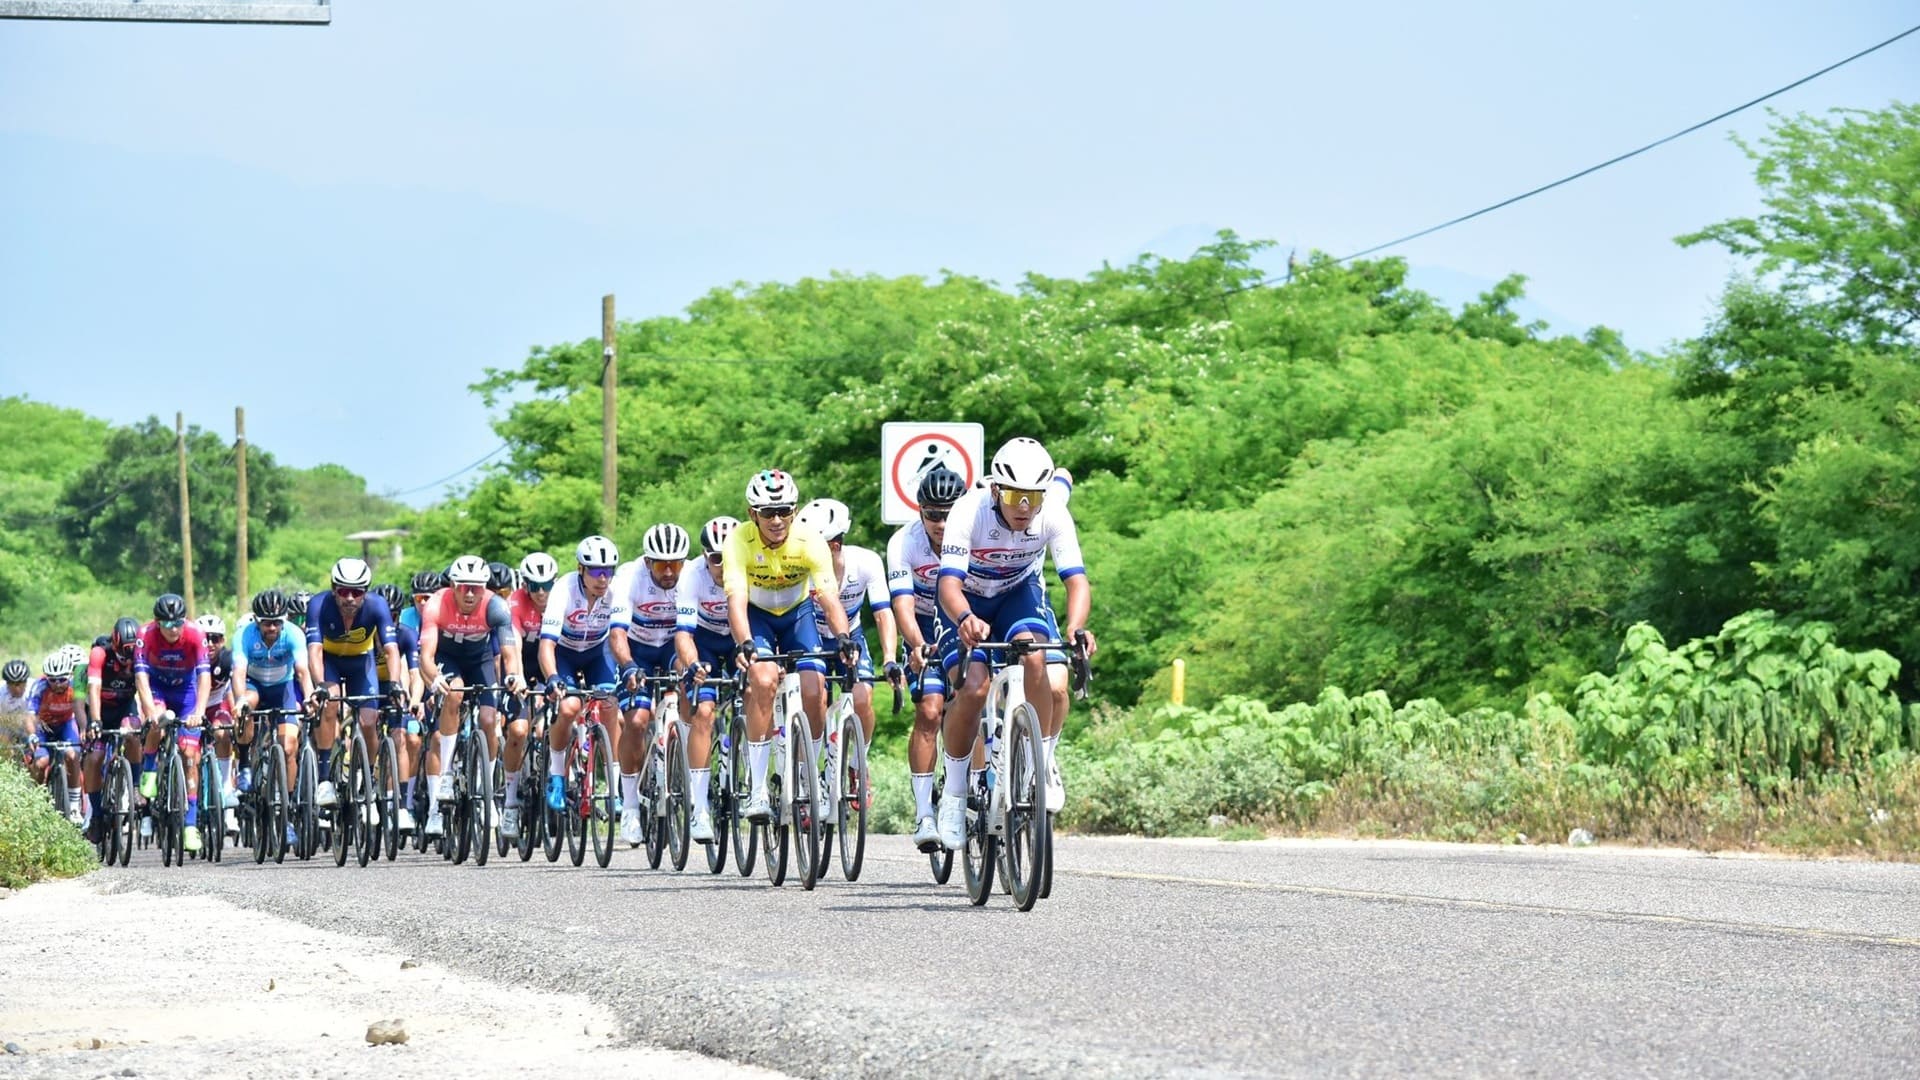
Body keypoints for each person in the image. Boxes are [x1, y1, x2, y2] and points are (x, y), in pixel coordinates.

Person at [933, 438, 1096, 852]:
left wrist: (1076, 628)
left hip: (1018, 593)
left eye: (1033, 497)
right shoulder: (967, 512)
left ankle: (1037, 764)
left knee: (1035, 655)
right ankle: (953, 795)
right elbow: (948, 584)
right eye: (1014, 496)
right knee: (972, 687)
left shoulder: (1053, 514)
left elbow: (1075, 580)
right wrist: (966, 618)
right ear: (995, 490)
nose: (1024, 507)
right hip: (965, 599)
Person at [722, 469, 858, 824]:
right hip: (758, 615)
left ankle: (806, 775)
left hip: (797, 615)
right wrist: (745, 643)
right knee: (764, 680)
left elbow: (828, 599)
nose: (778, 520)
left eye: (784, 510)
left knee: (816, 689)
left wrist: (843, 637)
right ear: (754, 514)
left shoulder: (809, 539)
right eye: (769, 513)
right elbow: (736, 603)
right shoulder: (738, 540)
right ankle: (757, 789)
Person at [886, 465, 966, 850]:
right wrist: (917, 645)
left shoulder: (972, 533)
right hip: (922, 624)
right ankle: (924, 814)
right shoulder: (903, 542)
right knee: (931, 709)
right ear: (919, 511)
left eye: (950, 513)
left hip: (960, 618)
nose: (941, 522)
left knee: (973, 702)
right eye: (933, 513)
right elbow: (901, 603)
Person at [416, 555, 521, 838]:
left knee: (489, 718)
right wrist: (434, 678)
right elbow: (425, 656)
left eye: (477, 587)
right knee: (455, 693)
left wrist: (513, 676)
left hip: (480, 660)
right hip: (447, 658)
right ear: (453, 585)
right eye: (464, 587)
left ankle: (486, 790)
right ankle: (446, 774)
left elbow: (509, 653)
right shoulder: (436, 604)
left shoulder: (495, 606)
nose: (471, 593)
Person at [608, 523, 691, 843]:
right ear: (647, 562)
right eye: (660, 564)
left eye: (675, 564)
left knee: (690, 693)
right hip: (636, 650)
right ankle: (629, 806)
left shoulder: (691, 577)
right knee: (638, 721)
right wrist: (628, 666)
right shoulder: (628, 579)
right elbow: (616, 635)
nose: (669, 571)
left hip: (672, 647)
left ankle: (681, 768)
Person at [796, 496, 901, 749]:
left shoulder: (866, 562)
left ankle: (858, 765)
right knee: (816, 698)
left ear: (833, 545)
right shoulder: (800, 570)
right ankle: (811, 766)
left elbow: (883, 613)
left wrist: (889, 658)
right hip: (813, 637)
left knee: (863, 698)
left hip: (851, 636)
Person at [306, 558, 403, 811]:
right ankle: (325, 778)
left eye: (357, 592)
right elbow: (314, 652)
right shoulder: (318, 604)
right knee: (331, 702)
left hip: (362, 663)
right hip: (330, 662)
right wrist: (319, 685)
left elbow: (391, 650)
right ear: (333, 588)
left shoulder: (378, 606)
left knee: (370, 720)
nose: (350, 598)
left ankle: (368, 777)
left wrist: (393, 684)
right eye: (343, 591)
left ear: (366, 592)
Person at [538, 536, 621, 813]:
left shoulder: (614, 593)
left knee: (610, 704)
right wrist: (551, 677)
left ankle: (614, 786)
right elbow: (546, 645)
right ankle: (558, 776)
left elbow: (621, 636)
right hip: (565, 654)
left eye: (608, 571)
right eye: (596, 571)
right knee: (570, 706)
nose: (603, 578)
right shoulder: (563, 590)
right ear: (580, 569)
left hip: (597, 653)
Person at [231, 589, 316, 846]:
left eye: (277, 621)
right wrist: (240, 701)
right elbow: (239, 672)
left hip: (284, 688)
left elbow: (302, 671)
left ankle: (286, 813)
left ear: (284, 619)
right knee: (247, 706)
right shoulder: (244, 635)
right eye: (267, 622)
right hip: (255, 685)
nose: (272, 627)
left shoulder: (294, 634)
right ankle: (245, 763)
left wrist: (310, 697)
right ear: (257, 620)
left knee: (289, 747)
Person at [673, 516, 738, 842]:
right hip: (705, 643)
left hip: (740, 638)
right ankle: (699, 806)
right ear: (703, 556)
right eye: (716, 558)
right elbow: (683, 635)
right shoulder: (691, 577)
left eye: (729, 556)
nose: (723, 565)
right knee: (704, 712)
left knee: (761, 691)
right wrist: (693, 663)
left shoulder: (750, 569)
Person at [134, 594, 212, 853]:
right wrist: (149, 711)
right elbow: (141, 677)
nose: (173, 629)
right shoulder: (144, 634)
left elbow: (204, 677)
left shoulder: (195, 633)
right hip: (158, 688)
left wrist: (200, 711)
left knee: (191, 754)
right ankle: (149, 770)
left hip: (186, 691)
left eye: (177, 622)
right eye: (167, 624)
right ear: (157, 623)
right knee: (157, 719)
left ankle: (190, 826)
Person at [81, 619, 143, 841]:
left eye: (131, 651)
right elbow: (94, 688)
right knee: (94, 758)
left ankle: (135, 786)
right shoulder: (100, 654)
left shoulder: (140, 655)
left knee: (134, 735)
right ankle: (97, 815)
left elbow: (146, 687)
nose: (128, 657)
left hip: (125, 707)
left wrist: (148, 716)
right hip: (101, 710)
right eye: (124, 652)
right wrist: (95, 721)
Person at [371, 583, 424, 832]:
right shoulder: (365, 635)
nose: (388, 622)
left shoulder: (406, 635)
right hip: (368, 685)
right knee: (364, 728)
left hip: (393, 687)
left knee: (401, 738)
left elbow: (415, 675)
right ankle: (364, 786)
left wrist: (414, 700)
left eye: (393, 616)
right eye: (384, 616)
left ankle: (401, 805)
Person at [25, 651, 85, 825]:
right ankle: (35, 803)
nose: (57, 684)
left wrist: (83, 729)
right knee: (41, 762)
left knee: (72, 755)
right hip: (44, 727)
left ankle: (74, 806)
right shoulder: (40, 687)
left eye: (62, 679)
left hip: (66, 725)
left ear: (70, 676)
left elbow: (81, 710)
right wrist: (32, 735)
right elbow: (30, 716)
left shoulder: (77, 685)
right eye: (53, 679)